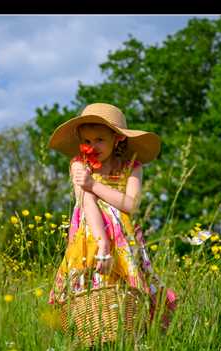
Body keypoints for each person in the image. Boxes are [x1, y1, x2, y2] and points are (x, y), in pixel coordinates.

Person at [47, 103, 176, 330]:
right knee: (90, 286)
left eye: (99, 139)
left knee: (130, 287)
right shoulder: (79, 164)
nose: (92, 146)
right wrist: (102, 243)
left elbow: (131, 205)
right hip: (91, 236)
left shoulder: (132, 167)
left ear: (117, 138)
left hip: (125, 238)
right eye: (86, 141)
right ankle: (93, 334)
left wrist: (93, 184)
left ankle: (138, 331)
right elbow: (84, 202)